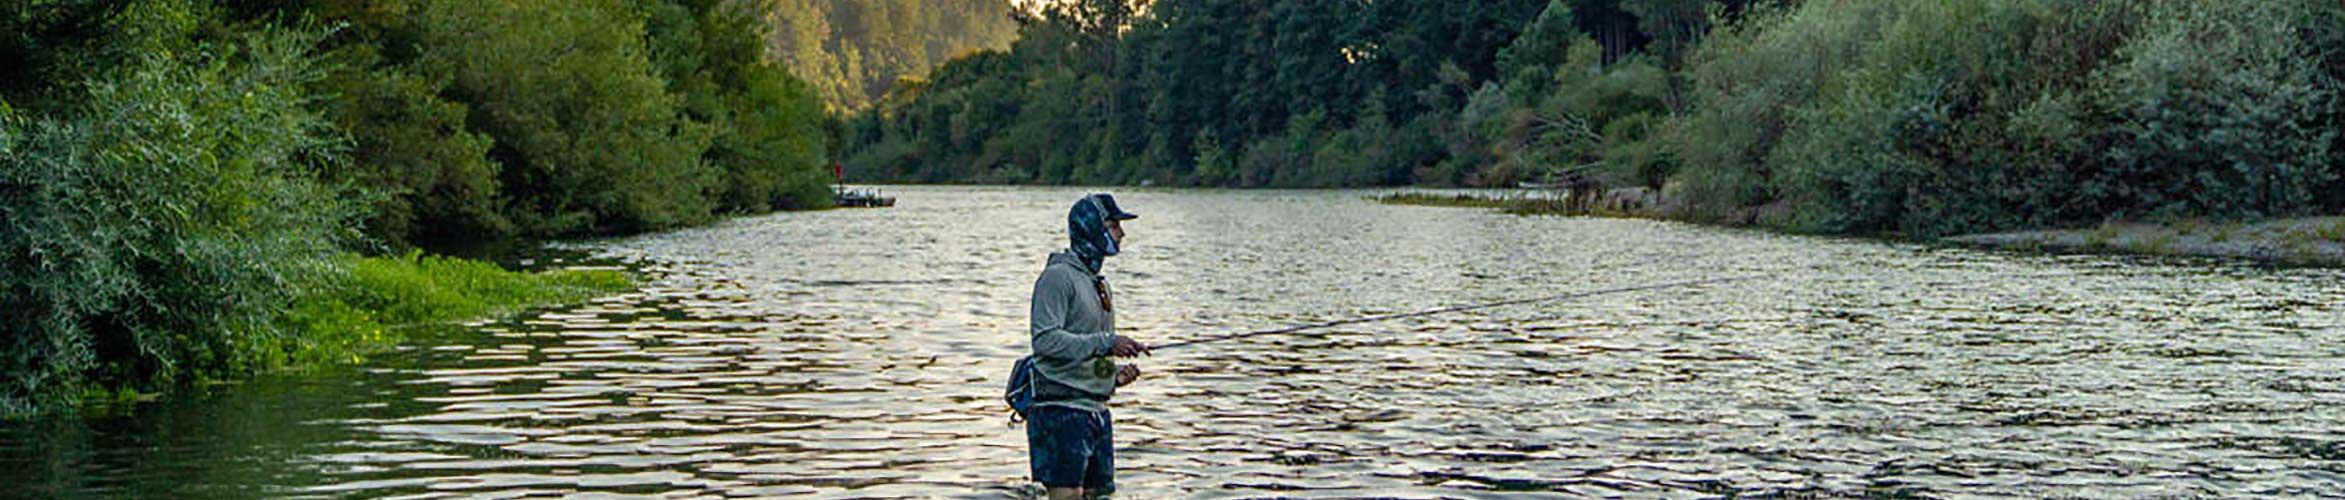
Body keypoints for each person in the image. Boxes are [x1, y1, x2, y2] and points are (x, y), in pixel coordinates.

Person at [1026, 193, 1149, 499]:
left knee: (1100, 495)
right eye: (1113, 225)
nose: (1121, 233)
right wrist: (1108, 342)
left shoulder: (1100, 284)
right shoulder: (1057, 278)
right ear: (1091, 228)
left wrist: (1112, 377)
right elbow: (1044, 341)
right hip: (1060, 411)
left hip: (1095, 410)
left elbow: (1093, 347)